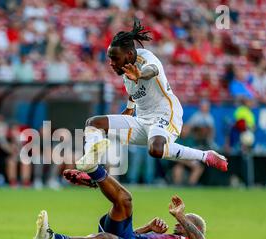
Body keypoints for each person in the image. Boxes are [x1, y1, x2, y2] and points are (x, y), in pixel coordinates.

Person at [75, 19, 227, 175]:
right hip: (142, 120)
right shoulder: (125, 67)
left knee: (155, 149)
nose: (111, 63)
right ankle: (91, 165)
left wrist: (140, 74)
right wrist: (129, 108)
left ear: (129, 54)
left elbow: (152, 71)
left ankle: (205, 155)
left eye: (115, 58)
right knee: (94, 123)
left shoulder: (146, 58)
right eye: (110, 59)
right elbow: (135, 89)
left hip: (166, 114)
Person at [32, 144, 208, 239]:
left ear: (197, 229)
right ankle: (94, 170)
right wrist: (147, 228)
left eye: (187, 222)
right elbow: (131, 237)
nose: (180, 223)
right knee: (125, 200)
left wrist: (180, 215)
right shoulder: (166, 237)